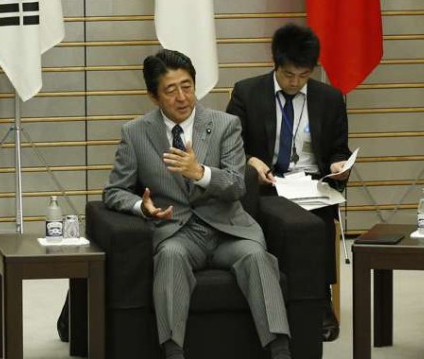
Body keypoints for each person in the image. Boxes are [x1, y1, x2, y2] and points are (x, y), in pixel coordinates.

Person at [104, 49, 292, 359]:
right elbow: (114, 191)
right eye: (170, 90)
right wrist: (141, 207)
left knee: (257, 258)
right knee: (170, 257)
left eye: (187, 86)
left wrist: (201, 173)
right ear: (153, 96)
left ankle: (280, 351)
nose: (182, 97)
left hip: (229, 230)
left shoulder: (225, 125)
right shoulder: (136, 133)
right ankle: (173, 352)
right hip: (177, 232)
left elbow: (237, 184)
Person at [225, 23, 349, 341]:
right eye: (289, 75)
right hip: (266, 184)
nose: (295, 83)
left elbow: (339, 148)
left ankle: (320, 298)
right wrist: (251, 161)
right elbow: (228, 147)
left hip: (312, 184)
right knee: (276, 217)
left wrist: (339, 165)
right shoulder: (247, 93)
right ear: (275, 64)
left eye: (304, 75)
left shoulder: (330, 99)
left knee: (320, 219)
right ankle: (272, 295)